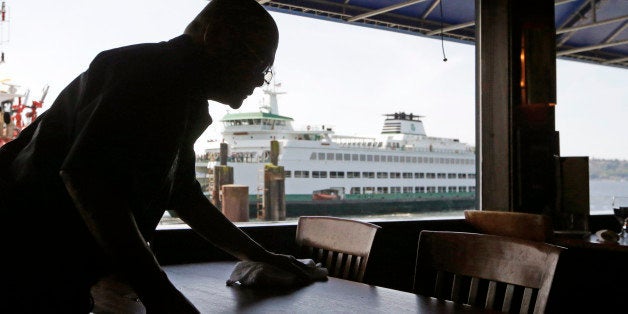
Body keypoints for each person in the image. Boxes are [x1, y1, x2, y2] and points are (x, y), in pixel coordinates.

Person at [0, 0, 317, 312]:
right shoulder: (147, 75)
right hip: (22, 257)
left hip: (41, 263)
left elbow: (183, 194)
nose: (260, 80)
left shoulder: (178, 94)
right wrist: (160, 294)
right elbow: (89, 180)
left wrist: (258, 255)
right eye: (261, 65)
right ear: (217, 38)